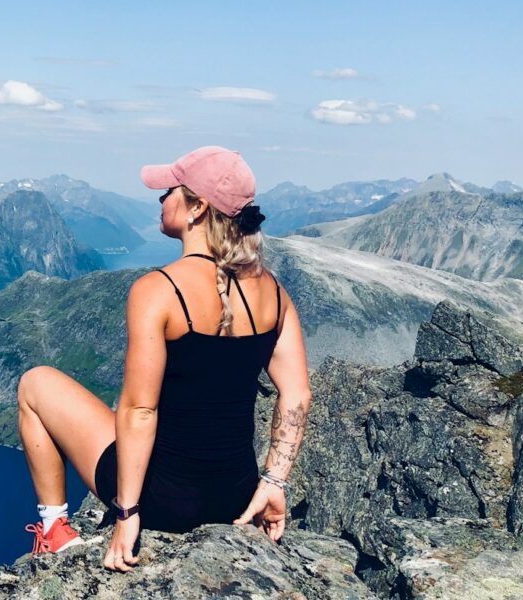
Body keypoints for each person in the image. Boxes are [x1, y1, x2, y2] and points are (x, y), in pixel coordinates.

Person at [16, 146, 312, 572]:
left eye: (169, 191)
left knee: (35, 383)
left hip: (163, 501)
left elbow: (140, 409)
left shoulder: (158, 291)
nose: (160, 200)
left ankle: (54, 531)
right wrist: (274, 483)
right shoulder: (275, 294)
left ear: (197, 208)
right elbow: (297, 394)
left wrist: (127, 514)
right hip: (236, 498)